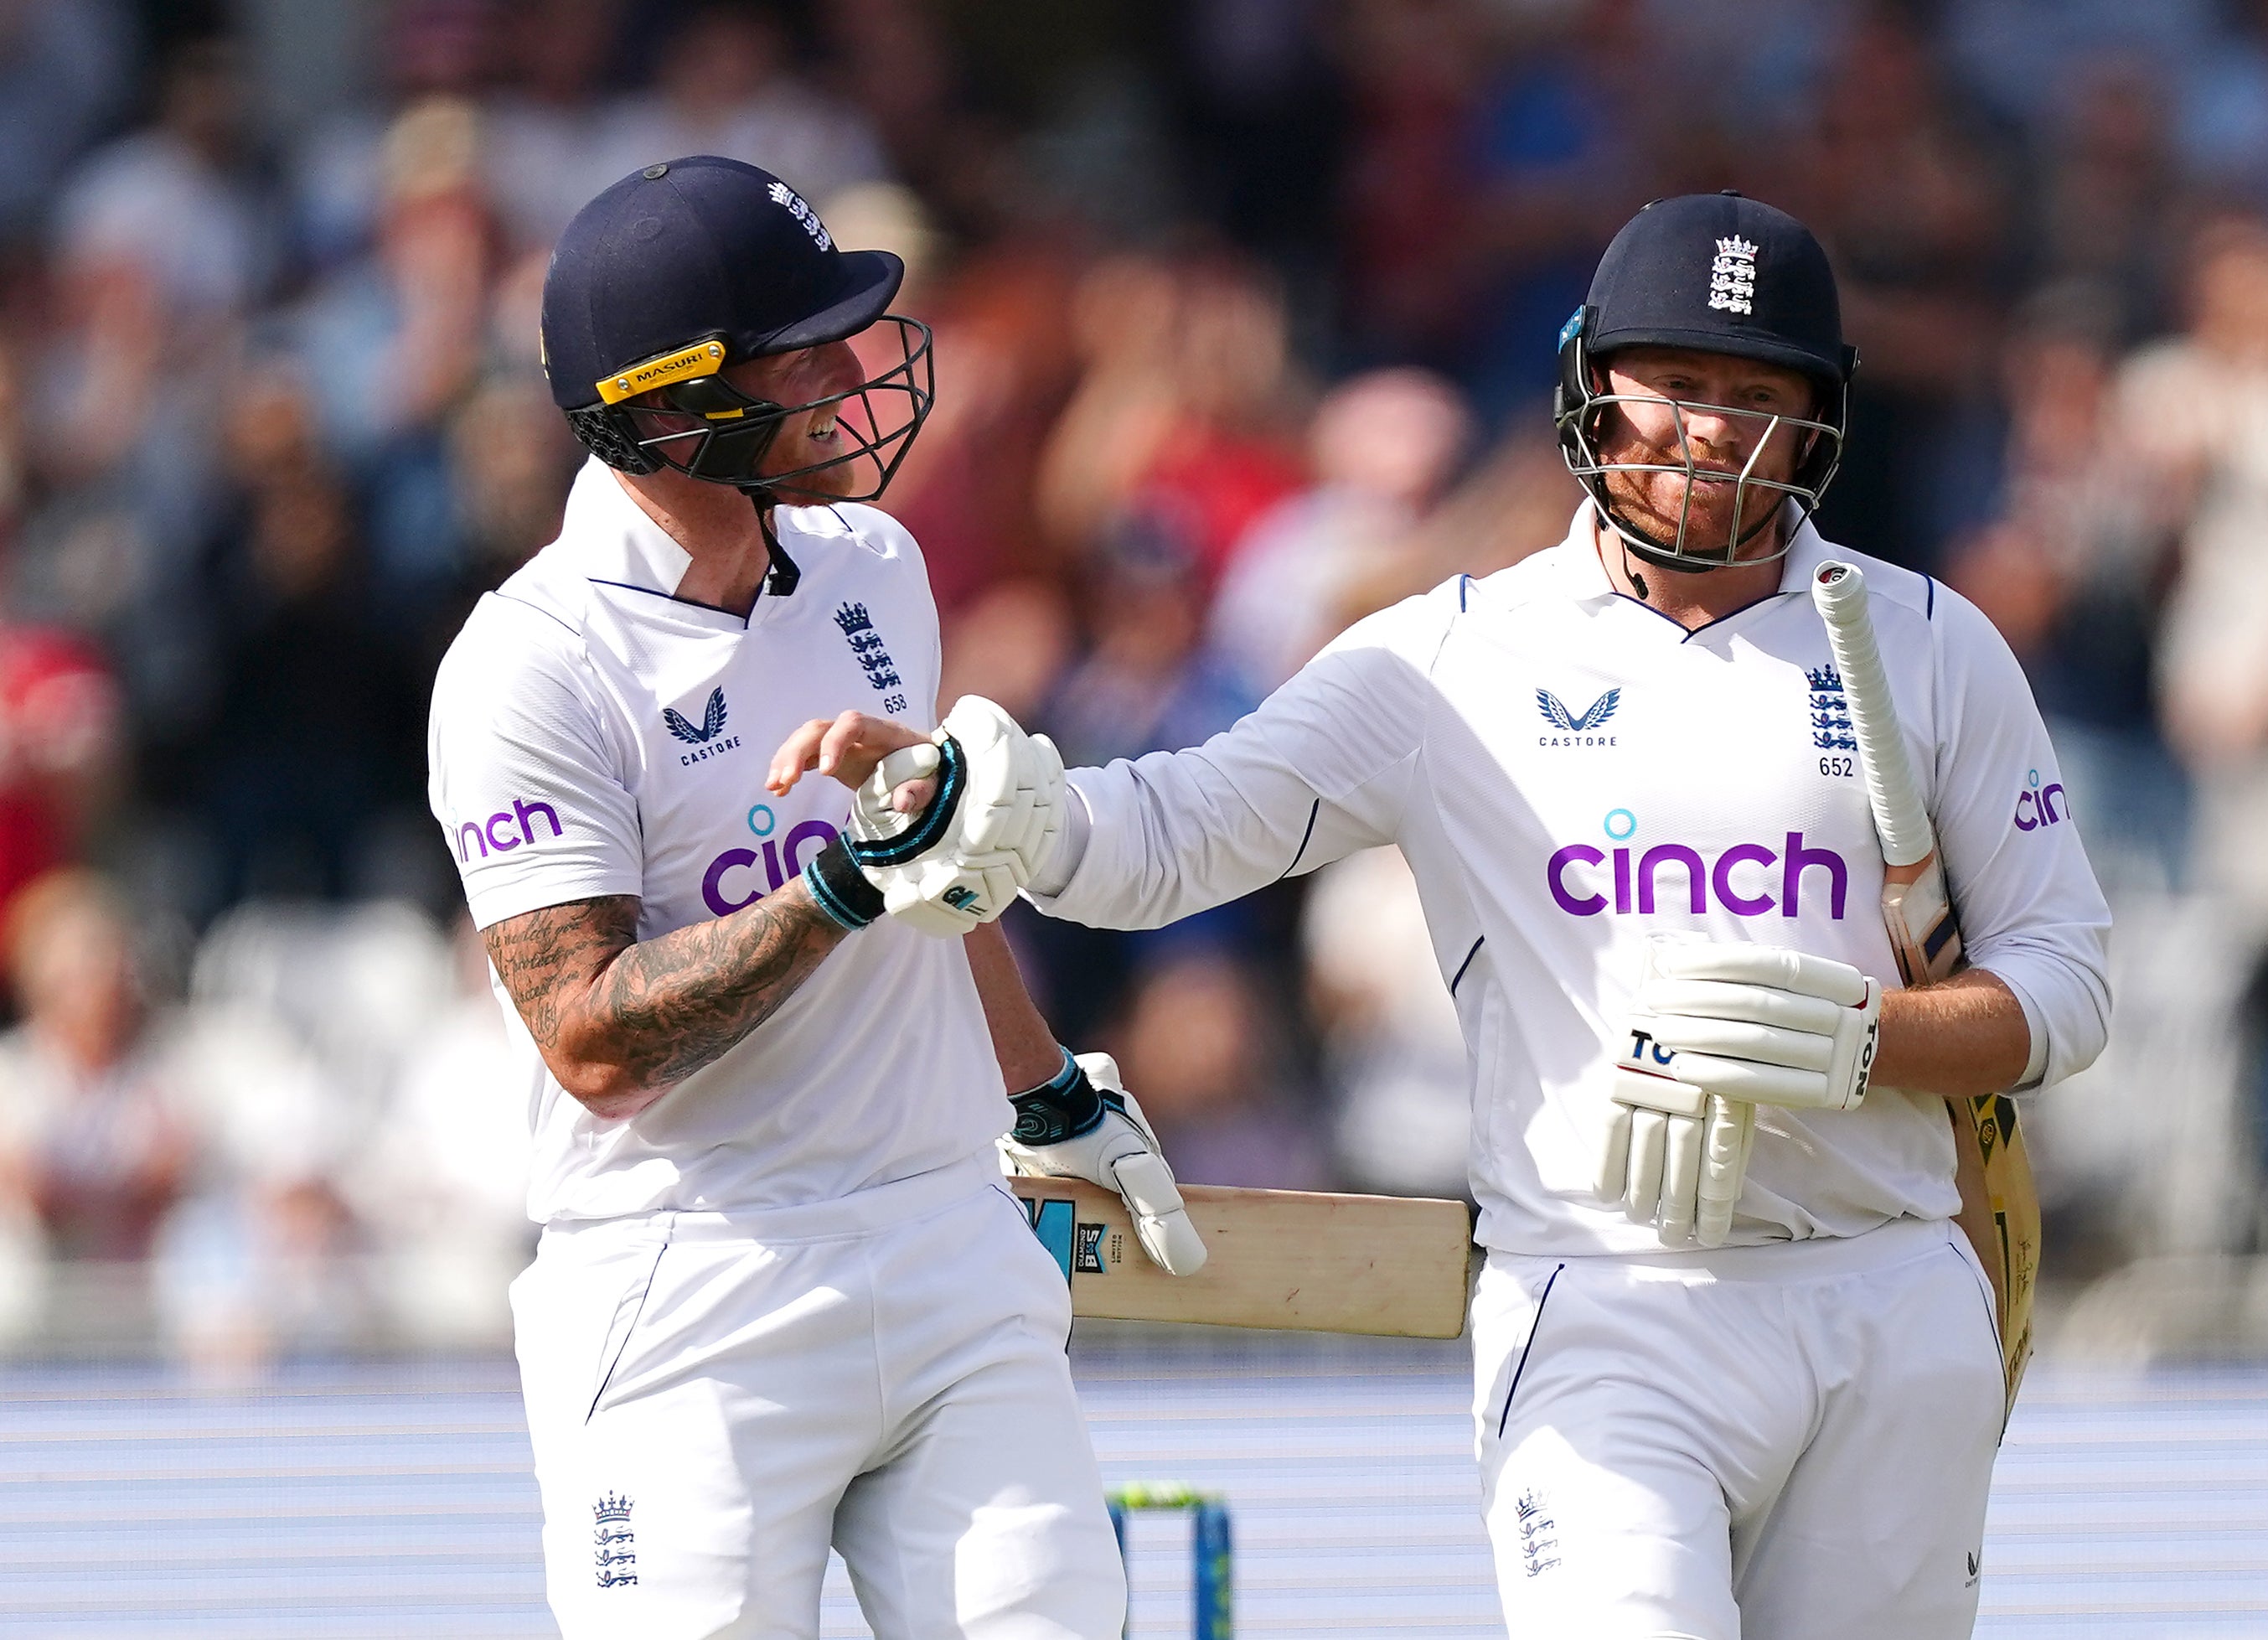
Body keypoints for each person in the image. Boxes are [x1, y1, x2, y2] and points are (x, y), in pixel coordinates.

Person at [795, 194, 2112, 1637]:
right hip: (1604, 1299)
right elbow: (1164, 838)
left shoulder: (1927, 644)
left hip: (1886, 1286)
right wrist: (998, 802)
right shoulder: (1451, 657)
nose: (1708, 432)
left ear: (1816, 424)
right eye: (1672, 384)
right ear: (1592, 384)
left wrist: (1865, 1039)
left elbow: (2063, 993)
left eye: (1755, 397)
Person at [426, 156, 1205, 1640]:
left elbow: (936, 885)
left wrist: (1040, 1086)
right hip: (691, 1286)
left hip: (941, 1235)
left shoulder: (874, 565)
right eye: (801, 355)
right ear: (668, 409)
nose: (856, 374)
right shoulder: (529, 665)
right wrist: (838, 884)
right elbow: (591, 1041)